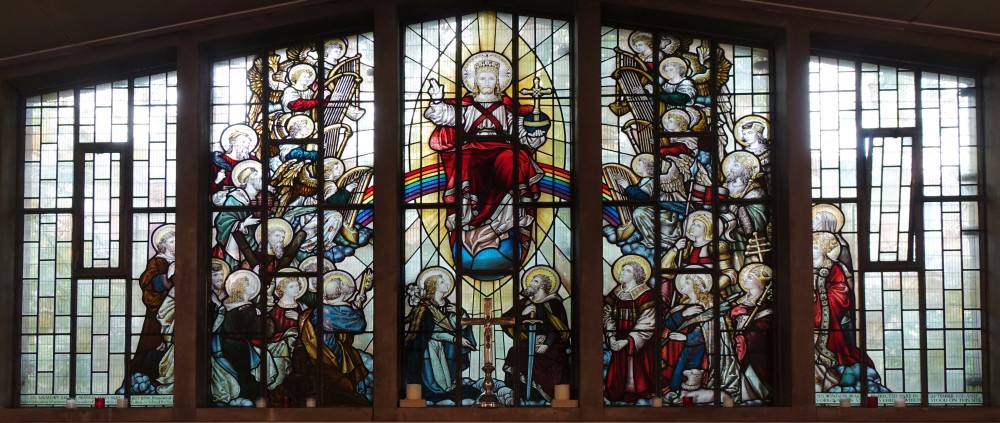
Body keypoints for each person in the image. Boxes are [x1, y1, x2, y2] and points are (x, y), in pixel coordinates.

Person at [423, 51, 547, 274]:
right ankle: (468, 218)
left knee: (513, 158)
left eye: (491, 78)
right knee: (465, 161)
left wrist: (534, 135)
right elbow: (445, 115)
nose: (487, 82)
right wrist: (437, 100)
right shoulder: (467, 108)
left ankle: (510, 217)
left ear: (498, 81)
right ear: (475, 82)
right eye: (482, 78)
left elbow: (521, 133)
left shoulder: (506, 110)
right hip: (473, 151)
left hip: (501, 150)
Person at [403, 267, 480, 404]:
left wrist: (460, 313)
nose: (447, 284)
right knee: (434, 382)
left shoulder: (449, 306)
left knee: (445, 382)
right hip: (429, 348)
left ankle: (445, 391)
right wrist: (455, 339)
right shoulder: (424, 309)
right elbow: (432, 332)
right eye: (442, 282)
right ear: (434, 286)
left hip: (445, 348)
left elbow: (454, 327)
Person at [299, 270, 371, 405]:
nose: (347, 285)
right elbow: (359, 325)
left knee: (354, 358)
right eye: (343, 284)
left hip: (335, 350)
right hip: (325, 354)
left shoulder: (331, 310)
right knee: (338, 385)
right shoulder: (326, 312)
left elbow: (349, 320)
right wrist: (357, 305)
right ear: (341, 292)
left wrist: (358, 302)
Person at [501, 266, 571, 403]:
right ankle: (520, 395)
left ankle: (545, 396)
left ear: (543, 286)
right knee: (514, 352)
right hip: (529, 342)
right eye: (532, 280)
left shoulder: (554, 303)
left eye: (535, 281)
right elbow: (505, 320)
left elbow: (560, 329)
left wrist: (547, 344)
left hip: (552, 345)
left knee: (552, 358)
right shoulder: (524, 303)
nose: (530, 283)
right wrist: (522, 313)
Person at [127, 224, 176, 392]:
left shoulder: (183, 261)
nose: (175, 244)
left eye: (177, 241)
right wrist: (167, 275)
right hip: (158, 312)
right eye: (171, 241)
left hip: (179, 310)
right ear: (163, 245)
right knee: (154, 343)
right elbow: (146, 282)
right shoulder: (157, 261)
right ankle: (146, 379)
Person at [603, 255, 657, 403]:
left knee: (637, 369)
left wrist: (628, 341)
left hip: (638, 342)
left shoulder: (647, 295)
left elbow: (647, 322)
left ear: (636, 275)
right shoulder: (616, 293)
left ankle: (638, 391)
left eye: (627, 270)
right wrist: (611, 337)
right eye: (622, 269)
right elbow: (606, 315)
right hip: (618, 337)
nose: (622, 272)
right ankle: (617, 392)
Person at [220, 270, 265, 403]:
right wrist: (260, 316)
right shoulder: (246, 308)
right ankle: (247, 395)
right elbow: (256, 330)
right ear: (242, 288)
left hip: (227, 343)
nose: (254, 287)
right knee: (244, 372)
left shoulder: (229, 305)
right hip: (238, 345)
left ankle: (243, 394)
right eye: (249, 284)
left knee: (240, 371)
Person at [212, 124, 260, 192]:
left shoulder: (253, 160)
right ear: (233, 143)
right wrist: (217, 180)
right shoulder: (220, 161)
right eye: (243, 142)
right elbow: (210, 188)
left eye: (248, 143)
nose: (246, 145)